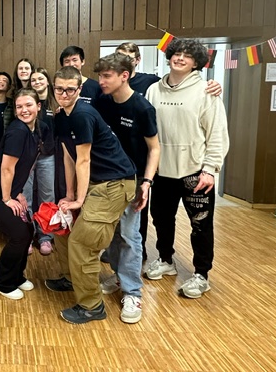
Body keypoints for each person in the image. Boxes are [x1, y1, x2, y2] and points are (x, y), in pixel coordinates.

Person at [50, 66, 136, 324]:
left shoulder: (83, 114)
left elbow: (83, 161)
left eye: (69, 89)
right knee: (64, 232)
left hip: (113, 185)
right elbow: (68, 156)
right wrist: (69, 195)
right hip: (96, 183)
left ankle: (92, 306)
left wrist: (79, 199)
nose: (63, 94)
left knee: (83, 243)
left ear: (79, 90)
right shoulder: (61, 116)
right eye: (59, 89)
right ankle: (72, 278)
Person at [145, 39, 229, 299]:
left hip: (195, 173)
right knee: (161, 219)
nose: (180, 58)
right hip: (162, 170)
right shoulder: (153, 90)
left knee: (200, 226)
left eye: (187, 56)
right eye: (176, 54)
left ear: (197, 62)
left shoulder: (206, 91)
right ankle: (166, 259)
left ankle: (201, 274)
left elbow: (217, 133)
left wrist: (210, 168)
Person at [92, 53, 160, 323]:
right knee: (112, 235)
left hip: (133, 182)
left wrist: (146, 182)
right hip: (106, 180)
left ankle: (133, 292)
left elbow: (154, 149)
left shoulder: (142, 108)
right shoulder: (102, 103)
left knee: (131, 237)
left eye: (106, 76)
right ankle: (120, 278)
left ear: (125, 75)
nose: (101, 81)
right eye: (100, 76)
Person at [0, 89, 42, 300]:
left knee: (27, 230)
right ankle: (1, 282)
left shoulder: (35, 129)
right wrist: (7, 198)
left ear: (38, 106)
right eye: (19, 106)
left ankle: (16, 276)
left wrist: (18, 192)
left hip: (5, 191)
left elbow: (24, 167)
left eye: (28, 105)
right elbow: (7, 169)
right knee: (20, 234)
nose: (24, 110)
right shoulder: (17, 131)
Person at [25, 68, 58, 255]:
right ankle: (27, 236)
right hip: (28, 157)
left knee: (47, 197)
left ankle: (45, 236)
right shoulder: (27, 102)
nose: (37, 82)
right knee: (26, 198)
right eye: (33, 79)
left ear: (47, 81)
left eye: (40, 79)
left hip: (48, 157)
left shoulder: (56, 103)